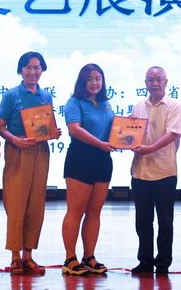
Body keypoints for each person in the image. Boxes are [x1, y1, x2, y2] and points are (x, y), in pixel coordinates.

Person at [0, 52, 61, 275]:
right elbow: (0, 127)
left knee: (36, 205)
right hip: (17, 151)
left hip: (40, 152)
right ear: (20, 70)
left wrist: (53, 132)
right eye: (28, 67)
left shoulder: (46, 96)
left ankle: (28, 255)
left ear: (42, 69)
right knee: (16, 204)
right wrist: (15, 140)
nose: (33, 72)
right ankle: (15, 257)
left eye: (37, 67)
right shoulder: (11, 95)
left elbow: (47, 124)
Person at [129, 66, 181, 275]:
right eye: (151, 80)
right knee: (142, 221)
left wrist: (149, 149)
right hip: (140, 172)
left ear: (166, 82)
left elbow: (173, 134)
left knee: (165, 222)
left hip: (164, 172)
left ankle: (163, 263)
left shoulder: (174, 106)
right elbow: (130, 131)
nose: (155, 83)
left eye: (159, 79)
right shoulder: (138, 107)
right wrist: (123, 139)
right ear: (145, 83)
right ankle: (145, 261)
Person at [61, 63, 115, 275]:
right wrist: (100, 144)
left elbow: (114, 129)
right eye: (90, 79)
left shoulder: (105, 104)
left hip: (103, 159)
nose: (94, 83)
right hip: (81, 158)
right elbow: (74, 129)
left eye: (98, 79)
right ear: (82, 82)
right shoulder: (74, 103)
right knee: (76, 211)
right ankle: (69, 259)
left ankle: (89, 256)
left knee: (94, 211)